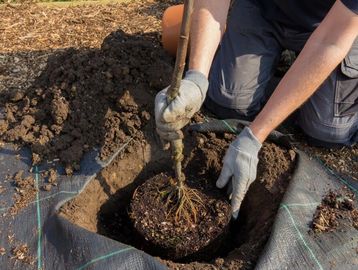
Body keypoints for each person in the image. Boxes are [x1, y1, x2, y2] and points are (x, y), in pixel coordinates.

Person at [155, 0, 358, 219]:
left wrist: (255, 135)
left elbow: (330, 42)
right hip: (264, 8)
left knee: (327, 132)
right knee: (228, 102)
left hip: (337, 27)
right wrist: (197, 77)